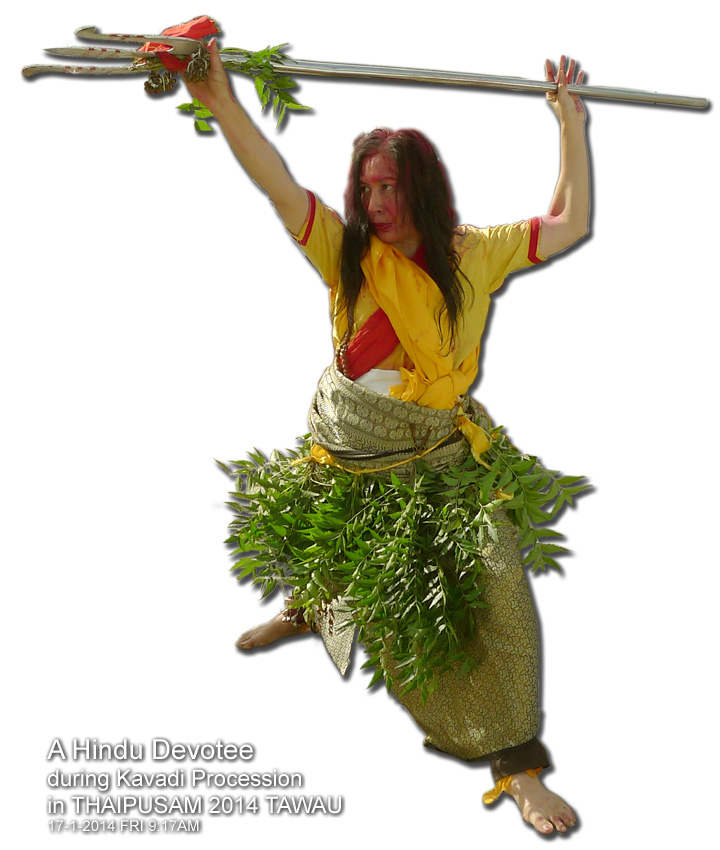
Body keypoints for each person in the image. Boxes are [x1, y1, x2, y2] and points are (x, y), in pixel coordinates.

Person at [185, 43, 589, 837]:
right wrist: (222, 100)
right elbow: (275, 181)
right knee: (323, 536)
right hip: (347, 438)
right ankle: (310, 611)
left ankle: (517, 768)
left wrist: (568, 121)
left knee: (498, 591)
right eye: (366, 188)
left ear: (421, 190)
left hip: (432, 449)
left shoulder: (474, 253)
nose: (376, 203)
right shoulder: (346, 255)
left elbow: (571, 222)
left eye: (390, 188)